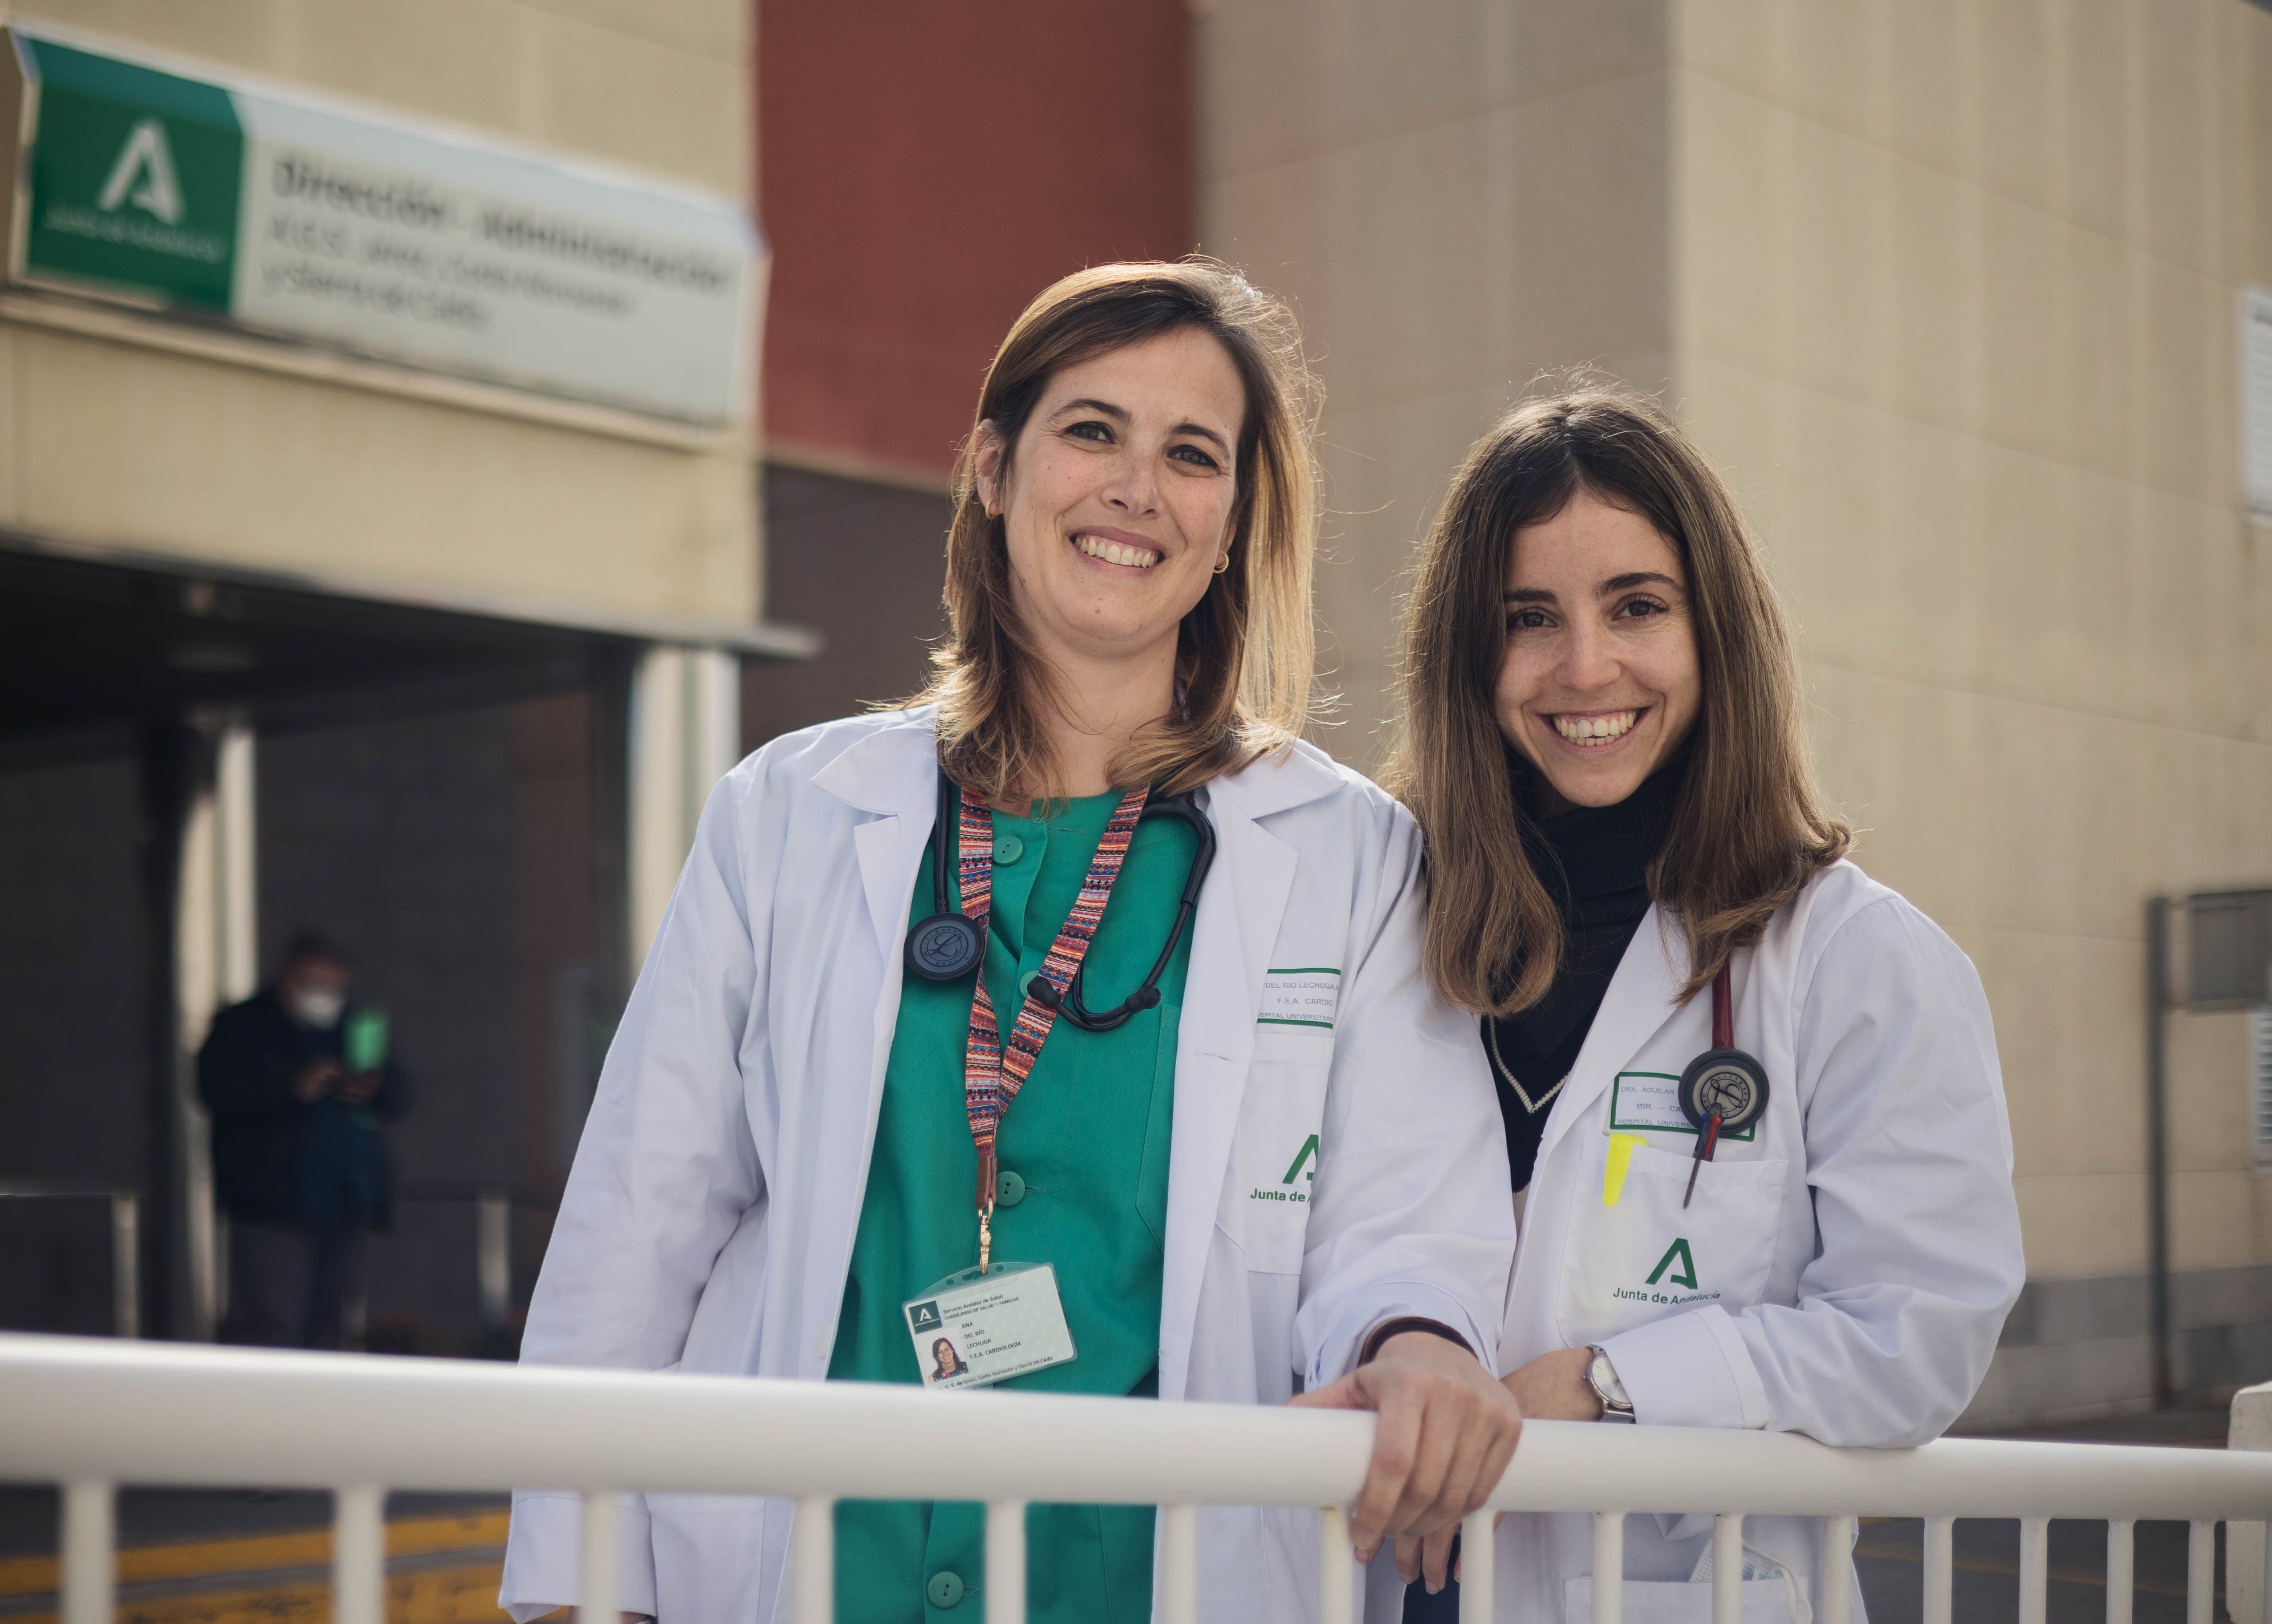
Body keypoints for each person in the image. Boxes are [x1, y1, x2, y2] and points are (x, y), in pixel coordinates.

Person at [499, 260, 1520, 1624]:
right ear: (992, 467)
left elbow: (1405, 1216)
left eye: (1192, 455)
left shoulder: (1351, 857)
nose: (1134, 488)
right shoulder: (791, 813)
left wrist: (1420, 1339)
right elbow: (642, 1214)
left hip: (1151, 1579)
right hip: (804, 1573)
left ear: (1232, 525)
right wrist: (576, 1578)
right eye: (1092, 430)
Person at [1382, 386, 2024, 1623]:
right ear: (1467, 654)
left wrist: (1614, 1382)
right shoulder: (1386, 929)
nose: (1585, 668)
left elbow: (1920, 1332)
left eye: (1637, 607)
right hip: (1388, 1572)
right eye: (1528, 618)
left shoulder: (1857, 961)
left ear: (1714, 629)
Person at [196, 932, 411, 1350]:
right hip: (272, 1205)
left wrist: (372, 1088)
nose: (325, 996)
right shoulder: (244, 1025)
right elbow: (216, 1090)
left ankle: (321, 1414)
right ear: (286, 977)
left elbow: (401, 1095)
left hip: (348, 1201)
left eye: (334, 987)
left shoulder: (358, 1026)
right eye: (314, 984)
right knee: (272, 1321)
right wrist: (293, 1090)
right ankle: (260, 1413)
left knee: (332, 1324)